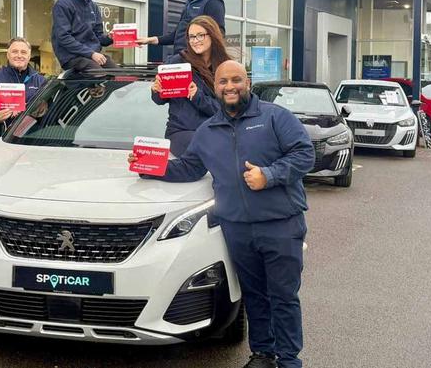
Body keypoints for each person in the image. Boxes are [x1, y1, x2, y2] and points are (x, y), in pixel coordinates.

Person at [129, 60, 314, 368]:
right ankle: (263, 354)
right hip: (236, 227)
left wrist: (269, 175)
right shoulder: (208, 130)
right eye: (223, 82)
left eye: (236, 80)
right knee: (254, 294)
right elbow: (189, 167)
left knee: (283, 296)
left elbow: (305, 153)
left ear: (247, 82)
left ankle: (289, 360)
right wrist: (147, 166)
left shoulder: (275, 117)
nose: (230, 87)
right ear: (214, 87)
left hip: (281, 224)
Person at [151, 15, 228, 156]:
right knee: (202, 146)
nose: (195, 41)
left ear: (212, 35)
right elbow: (159, 100)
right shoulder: (176, 62)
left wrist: (198, 96)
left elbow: (226, 110)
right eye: (191, 37)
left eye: (200, 35)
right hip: (180, 132)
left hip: (214, 130)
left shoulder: (224, 67)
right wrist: (157, 90)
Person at [51, 0, 117, 73]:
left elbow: (98, 36)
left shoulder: (93, 6)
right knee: (99, 74)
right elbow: (63, 38)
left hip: (91, 56)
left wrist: (110, 38)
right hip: (72, 57)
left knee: (120, 75)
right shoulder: (63, 4)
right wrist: (91, 54)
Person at [0, 37, 46, 136]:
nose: (19, 55)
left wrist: (42, 110)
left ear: (29, 56)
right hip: (2, 139)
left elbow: (51, 113)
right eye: (15, 52)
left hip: (34, 137)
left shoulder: (41, 81)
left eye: (23, 52)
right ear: (8, 55)